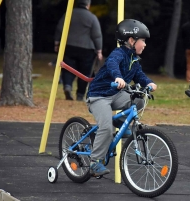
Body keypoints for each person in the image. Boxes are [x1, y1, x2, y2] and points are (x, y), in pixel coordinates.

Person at [86, 19, 157, 177]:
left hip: (115, 94)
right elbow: (112, 65)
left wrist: (149, 82)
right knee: (106, 128)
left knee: (139, 99)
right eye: (143, 41)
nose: (145, 45)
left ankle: (119, 124)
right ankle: (94, 162)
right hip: (99, 96)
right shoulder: (118, 53)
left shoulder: (134, 59)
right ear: (131, 40)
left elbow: (139, 75)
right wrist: (118, 77)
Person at [54, 0, 103, 101]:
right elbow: (96, 35)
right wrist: (99, 50)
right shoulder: (92, 17)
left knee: (67, 68)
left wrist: (57, 42)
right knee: (85, 72)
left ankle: (67, 86)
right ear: (88, 5)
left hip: (69, 46)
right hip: (87, 49)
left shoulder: (69, 14)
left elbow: (60, 28)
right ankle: (80, 95)